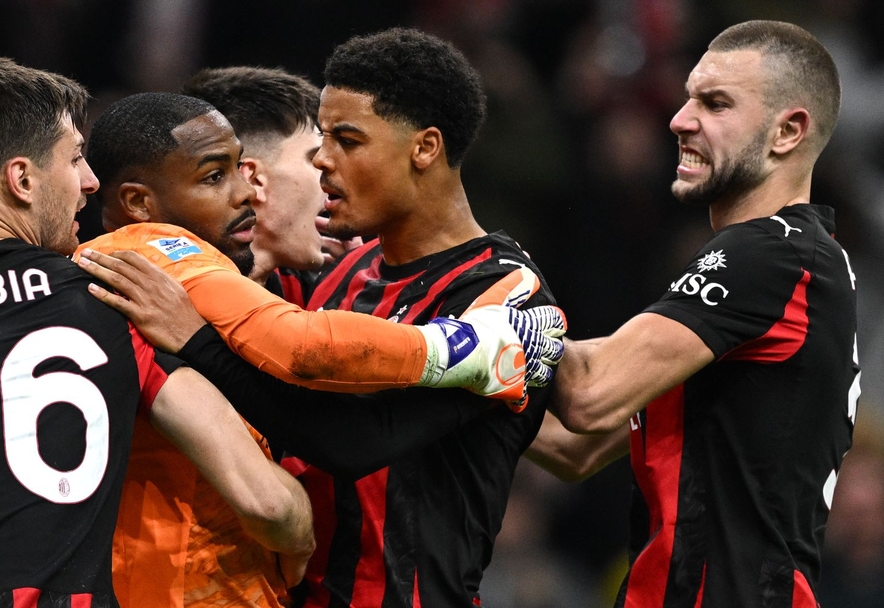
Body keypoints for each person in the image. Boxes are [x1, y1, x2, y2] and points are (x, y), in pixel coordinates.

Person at [0, 55, 313, 607]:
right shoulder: (110, 299)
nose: (91, 183)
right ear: (21, 179)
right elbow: (268, 504)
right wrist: (301, 540)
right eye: (75, 159)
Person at [79, 28, 563, 606]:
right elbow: (262, 314)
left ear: (425, 148)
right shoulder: (336, 276)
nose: (325, 161)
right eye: (320, 142)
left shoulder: (508, 298)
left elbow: (354, 439)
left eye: (347, 141)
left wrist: (197, 340)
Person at [549, 21, 859, 607]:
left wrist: (481, 298)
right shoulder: (800, 263)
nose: (679, 119)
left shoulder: (769, 254)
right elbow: (576, 447)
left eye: (714, 104)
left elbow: (589, 393)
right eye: (688, 96)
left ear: (787, 132)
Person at [179, 65, 353, 300]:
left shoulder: (324, 291)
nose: (332, 174)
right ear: (252, 180)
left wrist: (358, 285)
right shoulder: (156, 297)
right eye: (313, 159)